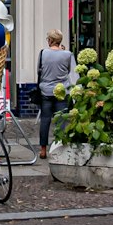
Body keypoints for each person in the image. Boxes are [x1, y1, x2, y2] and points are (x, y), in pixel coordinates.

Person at [36, 30, 75, 158]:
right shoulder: (67, 54)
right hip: (62, 90)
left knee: (45, 120)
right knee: (61, 120)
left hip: (45, 90)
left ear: (50, 40)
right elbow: (70, 71)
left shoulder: (43, 53)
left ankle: (43, 150)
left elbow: (38, 70)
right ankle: (59, 147)